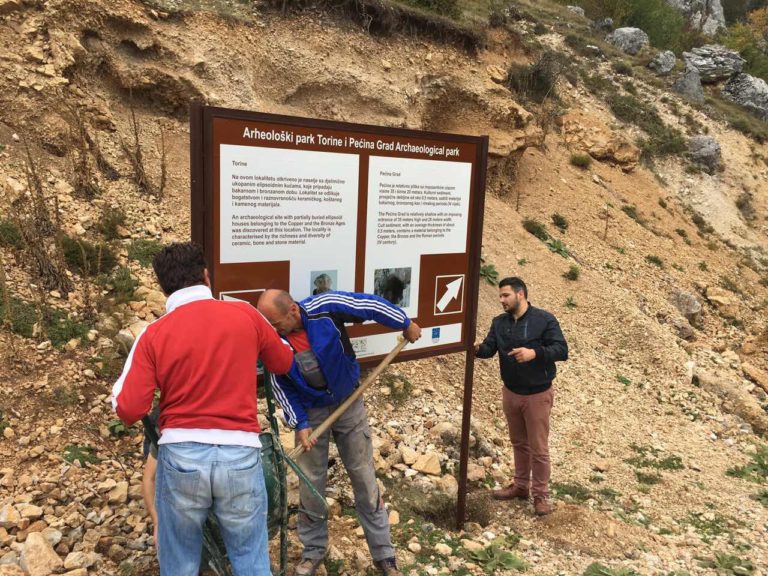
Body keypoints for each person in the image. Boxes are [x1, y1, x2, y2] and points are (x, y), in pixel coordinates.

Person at [112, 242, 294, 576]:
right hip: (240, 454)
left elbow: (128, 407)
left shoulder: (153, 334)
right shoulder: (245, 315)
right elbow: (283, 360)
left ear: (162, 285)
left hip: (181, 458)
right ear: (206, 276)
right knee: (251, 560)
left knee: (180, 562)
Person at [257, 289, 421, 576]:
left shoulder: (325, 308)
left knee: (364, 476)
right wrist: (300, 424)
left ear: (293, 311)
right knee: (310, 483)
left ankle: (383, 554)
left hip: (349, 402)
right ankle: (313, 550)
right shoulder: (274, 341)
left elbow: (368, 305)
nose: (272, 329)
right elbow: (281, 386)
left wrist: (403, 323)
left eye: (275, 322)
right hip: (312, 415)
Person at [475, 277, 568, 516]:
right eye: (500, 296)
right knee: (518, 443)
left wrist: (533, 353)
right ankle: (520, 486)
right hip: (511, 392)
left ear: (520, 294)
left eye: (505, 295)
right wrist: (475, 348)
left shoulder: (544, 319)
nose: (501, 300)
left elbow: (561, 350)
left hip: (537, 394)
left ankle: (541, 495)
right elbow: (488, 349)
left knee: (539, 448)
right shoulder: (499, 322)